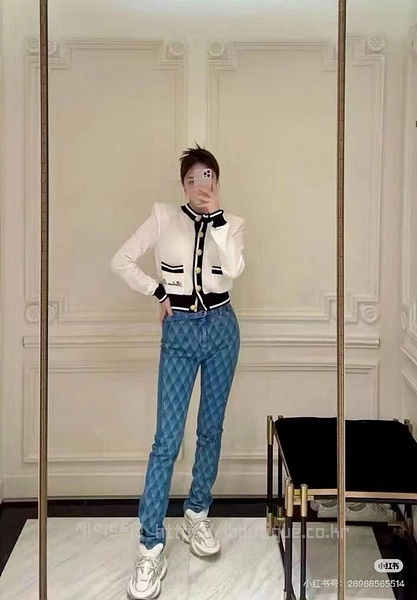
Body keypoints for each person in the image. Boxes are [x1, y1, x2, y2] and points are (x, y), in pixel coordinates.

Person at [110, 144, 245, 600]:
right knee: (166, 441)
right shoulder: (163, 217)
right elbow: (121, 260)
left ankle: (196, 514)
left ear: (217, 182)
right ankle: (150, 544)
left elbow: (233, 270)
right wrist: (157, 292)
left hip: (223, 329)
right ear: (182, 184)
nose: (199, 186)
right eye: (191, 179)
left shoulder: (233, 224)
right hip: (180, 331)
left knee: (211, 429)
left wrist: (218, 218)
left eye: (208, 177)